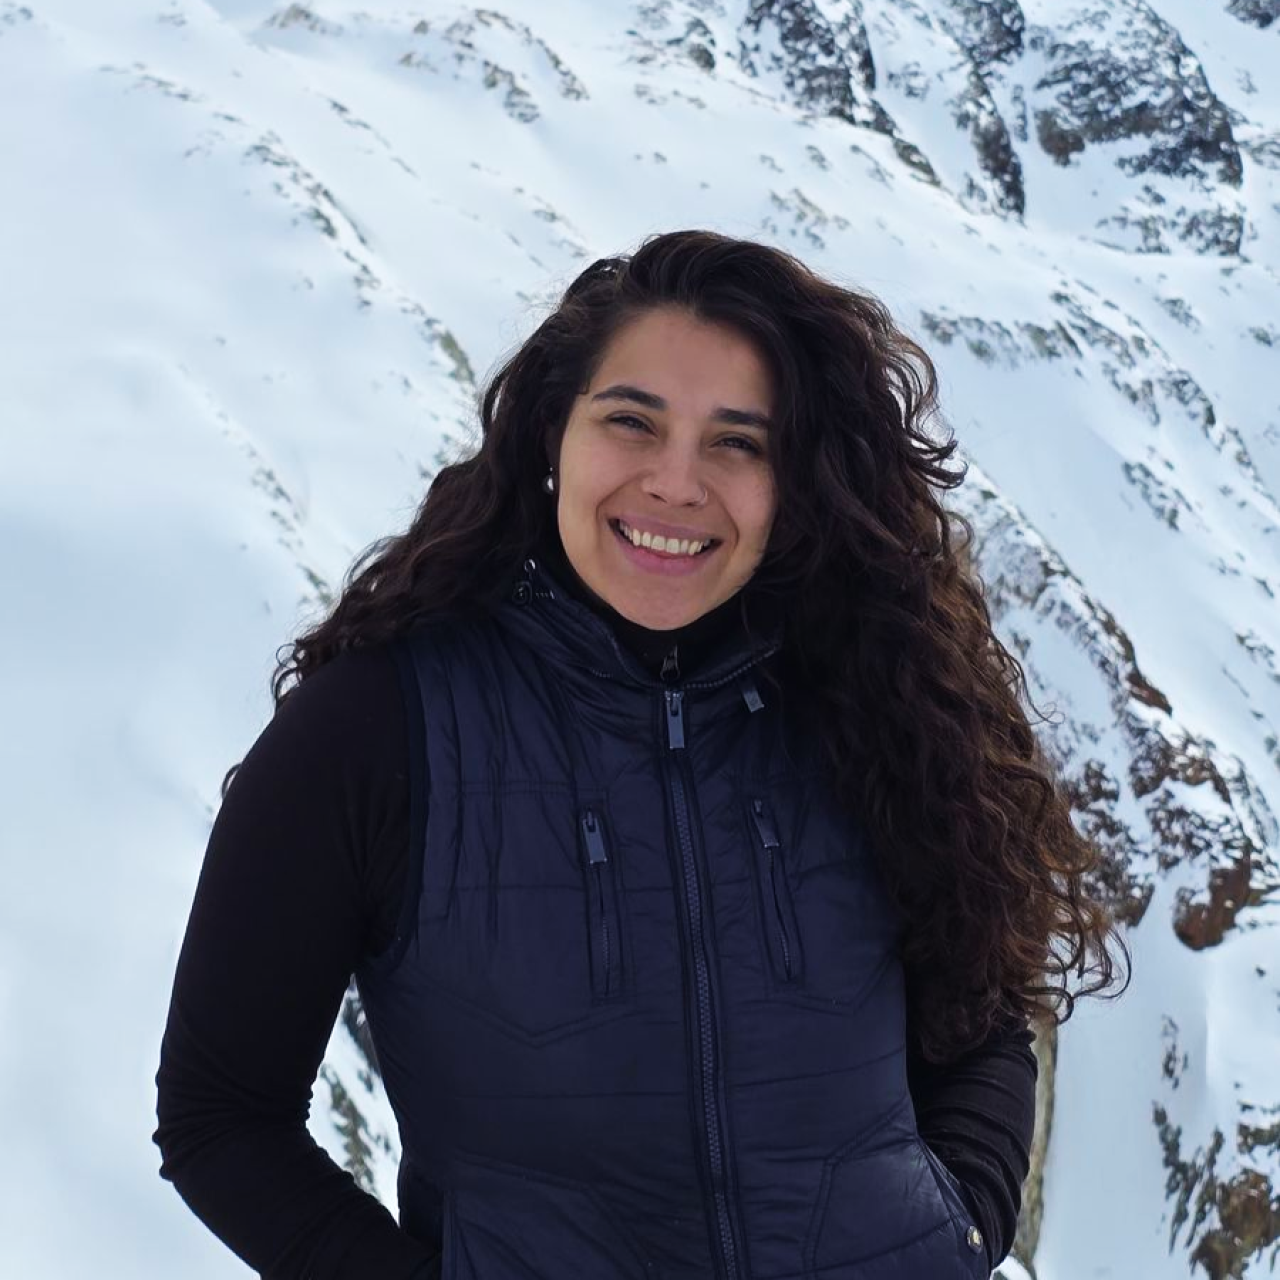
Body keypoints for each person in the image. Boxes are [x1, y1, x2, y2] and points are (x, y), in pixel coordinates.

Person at [154, 229, 1128, 1279]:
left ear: (793, 477)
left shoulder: (873, 691)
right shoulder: (379, 727)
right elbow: (222, 1114)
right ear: (551, 431)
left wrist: (960, 1226)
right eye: (632, 421)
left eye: (738, 442)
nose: (675, 483)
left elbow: (980, 995)